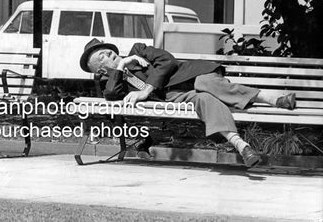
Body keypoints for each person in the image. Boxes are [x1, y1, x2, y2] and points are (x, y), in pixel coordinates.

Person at [79, 39, 297, 167]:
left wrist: (146, 88)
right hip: (174, 98)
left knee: (205, 84)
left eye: (107, 50)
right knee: (204, 99)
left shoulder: (138, 50)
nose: (108, 52)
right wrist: (122, 67)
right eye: (102, 57)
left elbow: (167, 60)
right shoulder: (113, 82)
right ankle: (243, 147)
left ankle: (271, 98)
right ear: (100, 70)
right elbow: (112, 96)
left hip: (193, 77)